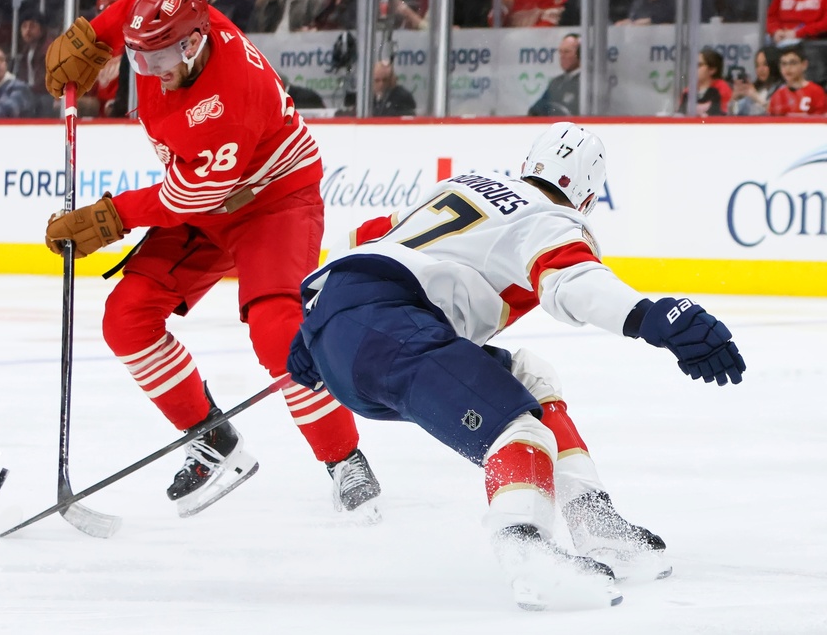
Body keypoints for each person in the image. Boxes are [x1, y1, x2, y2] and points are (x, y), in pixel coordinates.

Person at [286, 122, 745, 609]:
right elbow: (571, 282)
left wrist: (318, 325)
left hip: (345, 320)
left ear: (528, 165)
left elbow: (364, 236)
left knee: (532, 378)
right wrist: (651, 316)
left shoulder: (465, 184)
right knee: (518, 429)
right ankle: (528, 555)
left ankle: (594, 521)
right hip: (390, 330)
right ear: (588, 196)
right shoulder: (549, 217)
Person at [40, 0, 381, 520]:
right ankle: (212, 439)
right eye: (138, 57)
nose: (148, 71)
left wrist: (109, 218)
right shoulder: (173, 25)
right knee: (126, 319)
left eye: (158, 59)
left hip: (273, 202)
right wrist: (95, 37)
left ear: (194, 42)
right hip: (206, 198)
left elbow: (183, 198)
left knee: (277, 333)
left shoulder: (229, 101)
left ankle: (344, 459)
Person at [13, 7, 54, 116]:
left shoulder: (50, 49)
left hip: (46, 98)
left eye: (32, 26)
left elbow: (46, 84)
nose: (27, 31)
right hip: (32, 97)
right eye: (24, 26)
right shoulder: (26, 51)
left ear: (42, 29)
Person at [528, 33, 580, 116]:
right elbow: (536, 109)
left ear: (580, 54)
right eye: (560, 52)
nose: (562, 56)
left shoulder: (587, 82)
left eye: (567, 52)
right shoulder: (556, 83)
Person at [768, 43, 827, 115]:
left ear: (804, 65)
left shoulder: (816, 92)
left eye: (793, 63)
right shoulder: (777, 95)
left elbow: (822, 118)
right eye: (784, 64)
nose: (788, 68)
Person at [729, 46, 784, 116]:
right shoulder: (755, 88)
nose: (761, 69)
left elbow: (777, 113)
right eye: (757, 65)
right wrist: (734, 98)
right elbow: (734, 113)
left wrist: (756, 97)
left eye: (765, 64)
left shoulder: (782, 89)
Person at [677, 47, 732, 116]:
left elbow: (722, 114)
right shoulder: (687, 91)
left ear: (712, 70)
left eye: (699, 65)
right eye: (692, 65)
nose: (693, 69)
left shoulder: (722, 88)